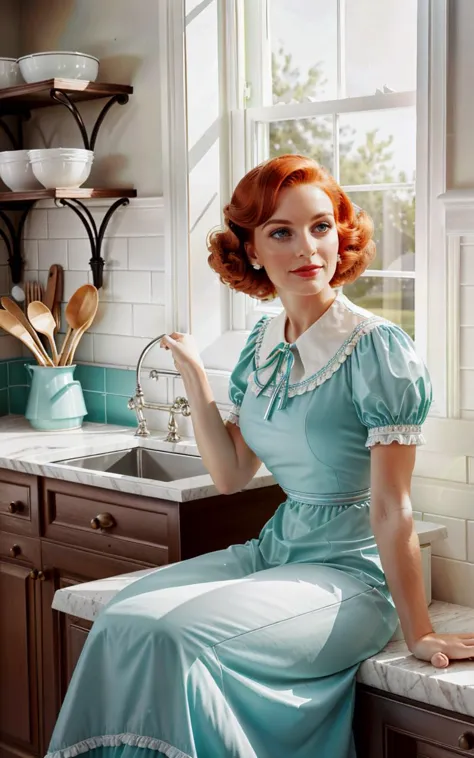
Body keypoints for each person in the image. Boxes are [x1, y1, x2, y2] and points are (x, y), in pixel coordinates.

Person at [46, 155, 474, 758]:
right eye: (281, 232)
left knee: (177, 636)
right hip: (277, 552)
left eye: (321, 227)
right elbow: (230, 475)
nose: (308, 249)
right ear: (250, 250)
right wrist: (196, 378)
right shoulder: (263, 343)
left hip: (352, 575)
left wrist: (420, 628)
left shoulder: (376, 349)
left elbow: (391, 508)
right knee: (122, 615)